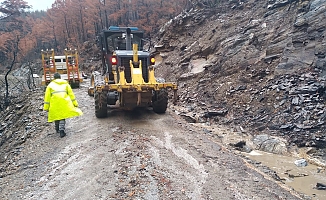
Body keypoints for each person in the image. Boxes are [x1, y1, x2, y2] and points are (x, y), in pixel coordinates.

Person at [43, 73, 83, 137]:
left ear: (54, 78)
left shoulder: (50, 85)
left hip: (54, 103)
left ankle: (57, 129)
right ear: (60, 77)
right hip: (64, 103)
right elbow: (71, 95)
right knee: (62, 116)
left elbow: (47, 97)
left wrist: (46, 107)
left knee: (56, 116)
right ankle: (62, 130)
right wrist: (75, 103)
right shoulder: (65, 84)